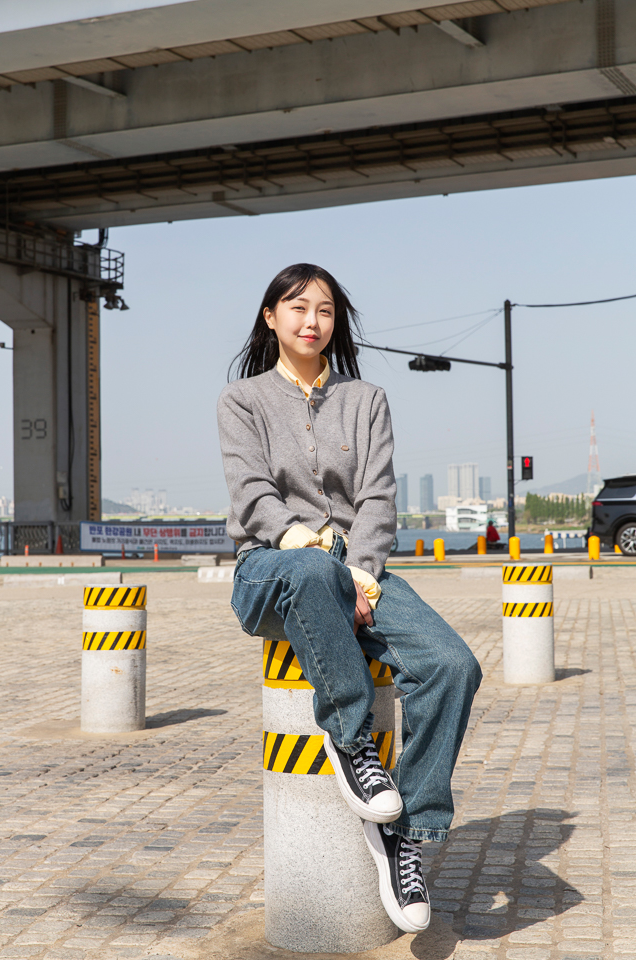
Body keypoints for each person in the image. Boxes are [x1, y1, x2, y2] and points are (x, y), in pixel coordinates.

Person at [217, 263, 482, 934]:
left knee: (453, 665)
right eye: (297, 307)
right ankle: (353, 742)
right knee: (308, 575)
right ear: (271, 318)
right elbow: (252, 493)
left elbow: (377, 497)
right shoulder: (242, 401)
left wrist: (361, 570)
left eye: (326, 310)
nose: (312, 320)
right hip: (269, 570)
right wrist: (306, 545)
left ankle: (410, 838)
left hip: (353, 569)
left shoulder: (366, 400)